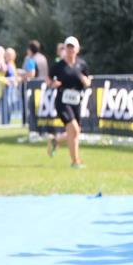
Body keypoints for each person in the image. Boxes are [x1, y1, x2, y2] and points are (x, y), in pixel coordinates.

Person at [47, 35, 91, 168]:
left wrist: (85, 80)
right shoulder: (59, 65)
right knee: (74, 129)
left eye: (73, 47)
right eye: (68, 47)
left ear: (77, 49)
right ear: (65, 49)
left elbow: (89, 82)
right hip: (63, 100)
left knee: (75, 132)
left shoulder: (82, 64)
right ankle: (75, 161)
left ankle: (56, 141)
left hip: (76, 100)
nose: (70, 50)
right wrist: (53, 84)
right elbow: (48, 79)